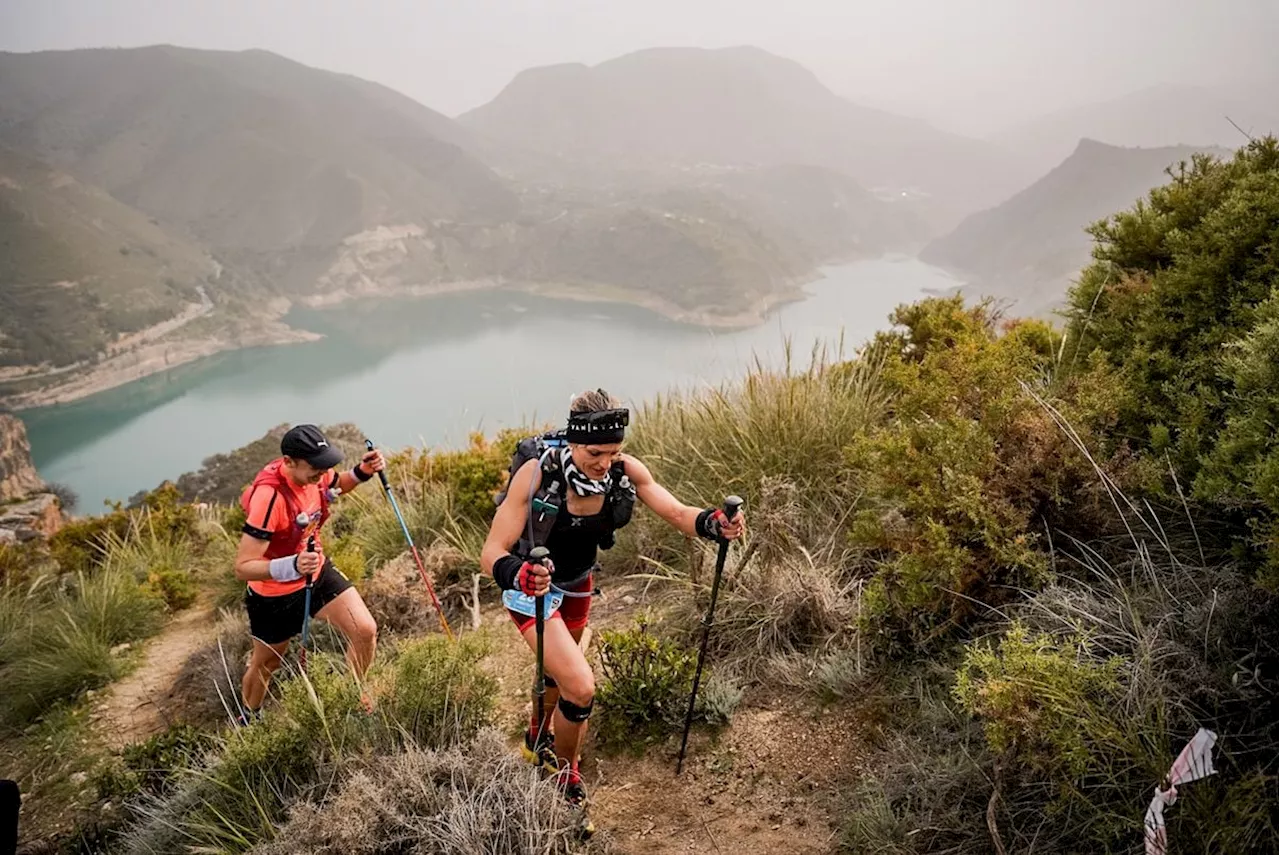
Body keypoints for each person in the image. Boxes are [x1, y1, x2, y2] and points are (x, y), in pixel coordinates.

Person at [481, 389, 746, 808]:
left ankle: (537, 737)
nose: (605, 462)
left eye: (613, 450)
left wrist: (713, 523)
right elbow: (491, 551)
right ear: (573, 440)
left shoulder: (623, 472)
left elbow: (677, 513)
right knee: (581, 687)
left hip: (579, 584)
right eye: (595, 452)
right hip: (531, 589)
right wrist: (519, 573)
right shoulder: (536, 474)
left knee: (558, 676)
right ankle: (564, 780)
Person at [234, 424, 385, 722]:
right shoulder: (270, 499)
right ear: (288, 462)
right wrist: (291, 566)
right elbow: (243, 567)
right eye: (314, 467)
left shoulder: (316, 474)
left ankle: (352, 698)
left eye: (324, 464)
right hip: (273, 594)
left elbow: (335, 483)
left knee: (365, 630)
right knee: (266, 663)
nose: (321, 472)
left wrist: (363, 471)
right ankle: (249, 717)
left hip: (316, 574)